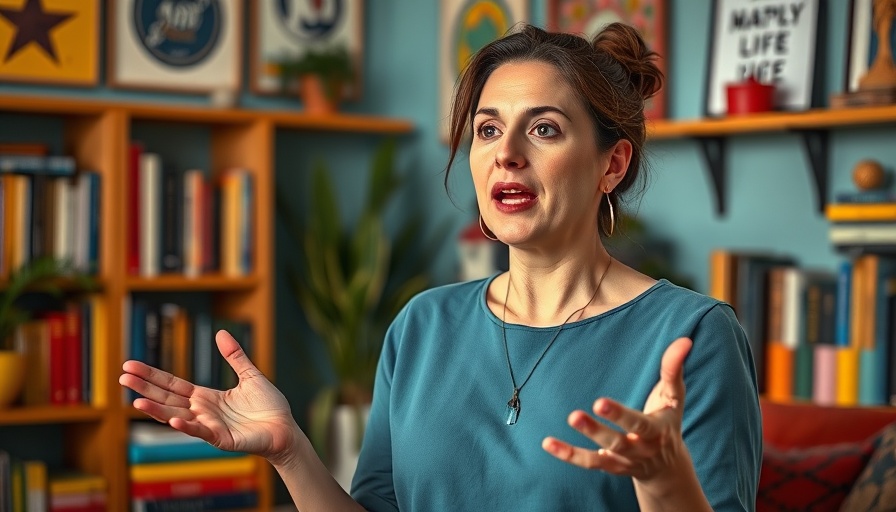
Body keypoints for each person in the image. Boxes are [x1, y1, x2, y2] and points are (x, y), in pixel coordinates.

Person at [120, 22, 762, 511]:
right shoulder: (422, 324)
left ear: (611, 165)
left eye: (543, 130)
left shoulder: (693, 336)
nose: (505, 154)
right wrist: (291, 452)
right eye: (487, 130)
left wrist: (662, 478)